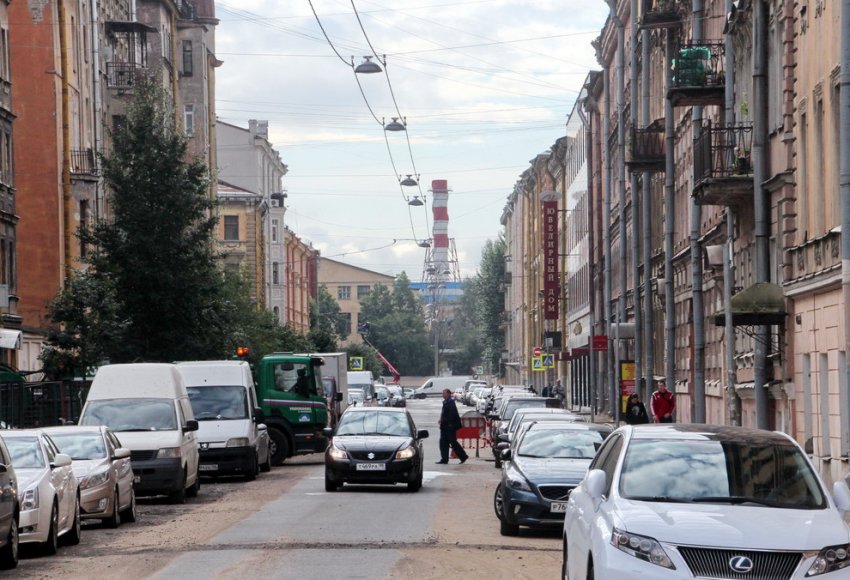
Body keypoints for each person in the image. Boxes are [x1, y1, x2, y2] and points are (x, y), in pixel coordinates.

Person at [436, 388, 469, 464]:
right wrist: (441, 419)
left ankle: (463, 456)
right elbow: (444, 413)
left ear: (448, 394)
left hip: (449, 427)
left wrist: (449, 423)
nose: (443, 395)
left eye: (444, 393)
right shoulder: (446, 402)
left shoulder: (450, 403)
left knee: (453, 443)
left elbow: (452, 415)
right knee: (443, 443)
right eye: (442, 393)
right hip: (445, 426)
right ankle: (444, 459)